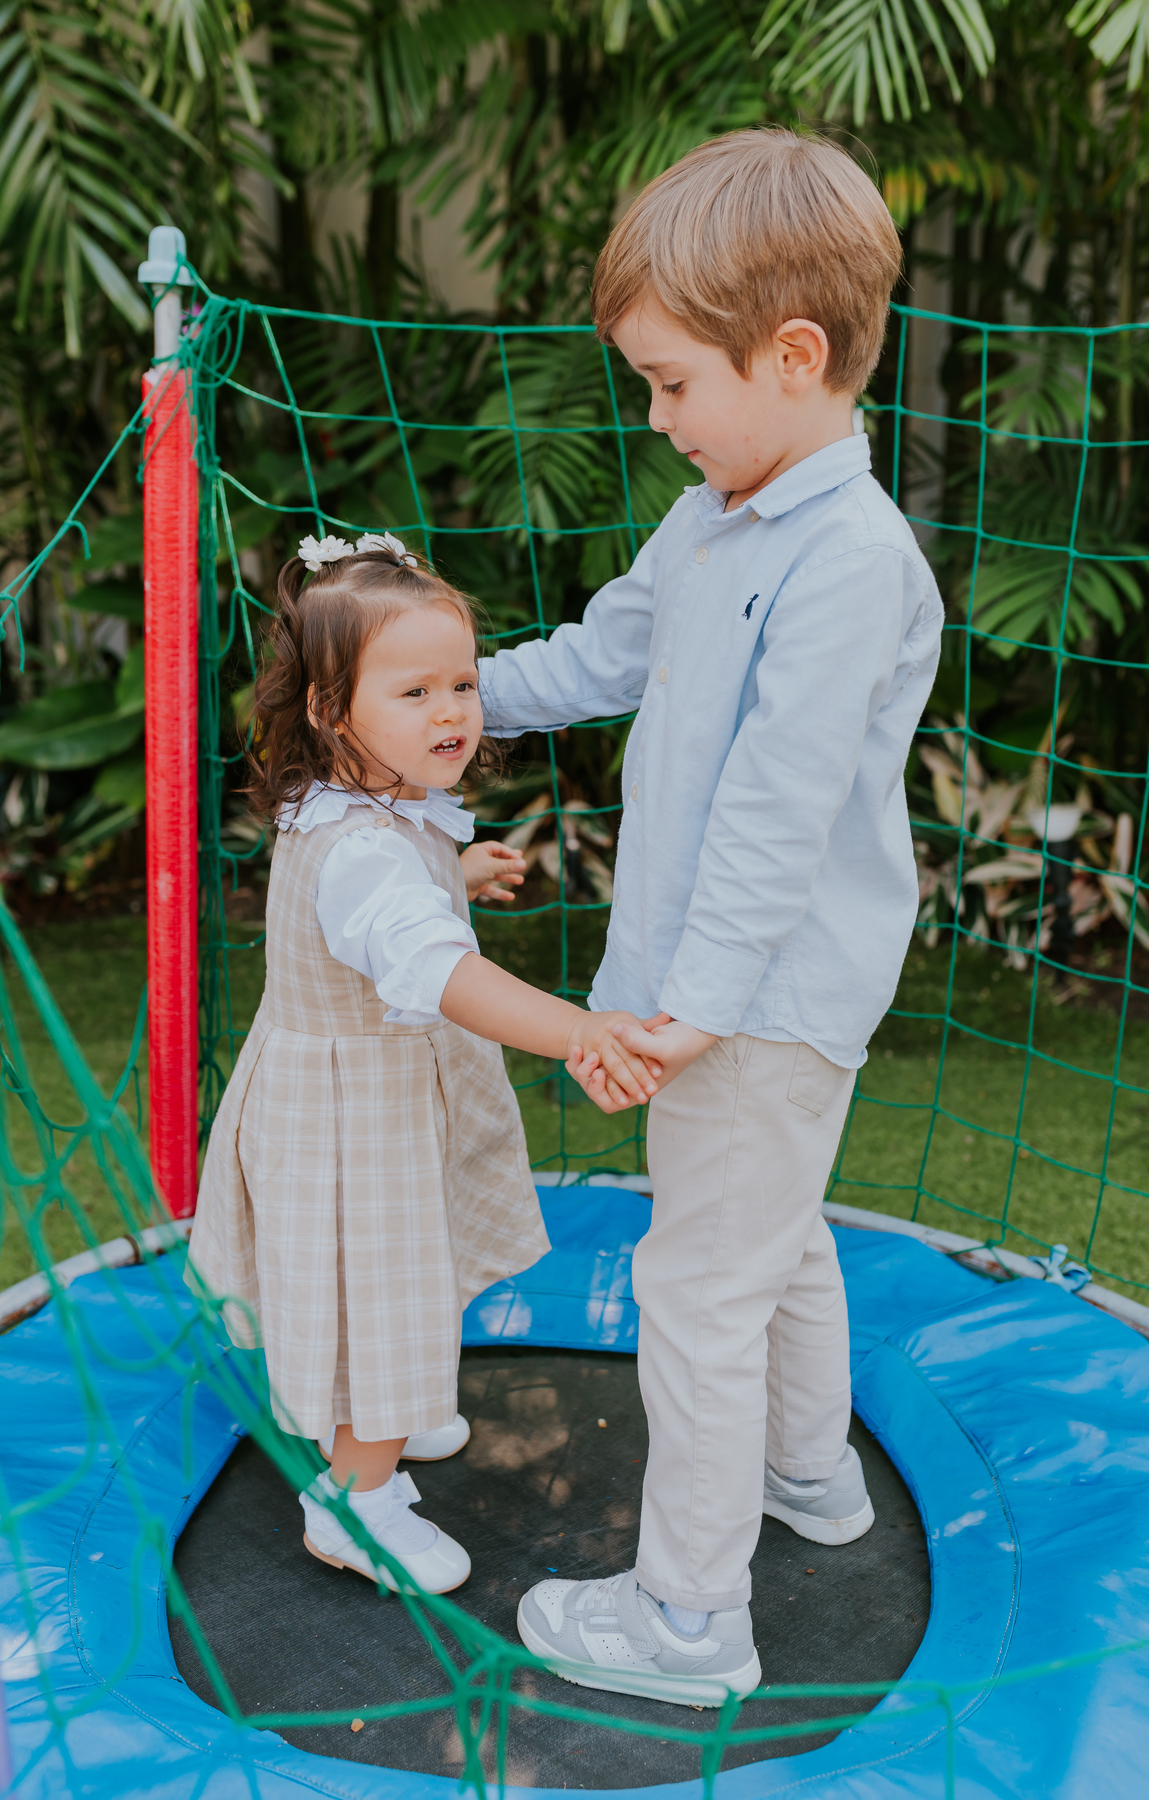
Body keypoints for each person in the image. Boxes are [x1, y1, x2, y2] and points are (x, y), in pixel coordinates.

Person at [481, 129, 944, 1704]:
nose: (658, 416)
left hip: (755, 998)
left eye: (673, 383)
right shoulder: (723, 518)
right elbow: (605, 651)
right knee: (771, 1234)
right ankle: (809, 1477)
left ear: (794, 356)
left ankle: (688, 1624)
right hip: (728, 991)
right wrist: (445, 705)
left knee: (695, 1283)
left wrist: (692, 1003)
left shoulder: (849, 561)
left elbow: (779, 809)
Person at [186, 533, 660, 1597]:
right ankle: (357, 1497)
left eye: (462, 683)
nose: (452, 712)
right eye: (414, 691)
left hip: (371, 1099)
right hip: (358, 1120)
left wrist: (454, 867)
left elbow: (399, 900)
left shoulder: (363, 813)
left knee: (407, 1273)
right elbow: (439, 971)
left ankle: (390, 1424)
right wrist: (579, 1030)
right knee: (374, 1304)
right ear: (327, 709)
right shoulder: (362, 854)